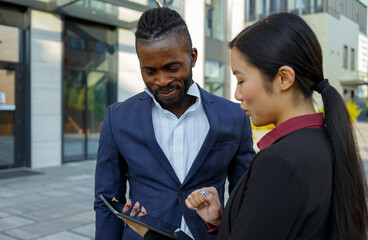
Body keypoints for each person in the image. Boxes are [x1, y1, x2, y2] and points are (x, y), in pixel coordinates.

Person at [125, 12, 368, 240]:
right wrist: (222, 220)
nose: (237, 93)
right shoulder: (320, 141)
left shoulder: (279, 163)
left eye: (241, 80)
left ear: (284, 78)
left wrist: (151, 234)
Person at [93, 6, 255, 240]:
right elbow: (107, 202)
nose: (162, 80)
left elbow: (246, 200)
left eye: (172, 68)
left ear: (193, 57)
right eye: (150, 71)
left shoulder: (234, 116)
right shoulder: (117, 118)